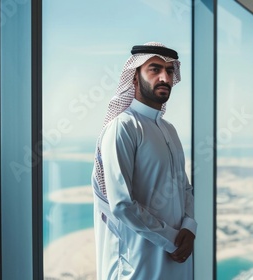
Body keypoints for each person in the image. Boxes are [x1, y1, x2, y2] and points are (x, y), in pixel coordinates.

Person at [92, 42, 197, 279]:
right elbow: (122, 204)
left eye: (170, 71)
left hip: (178, 258)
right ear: (135, 78)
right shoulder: (122, 127)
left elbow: (185, 187)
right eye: (155, 69)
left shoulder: (169, 130)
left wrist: (189, 227)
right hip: (137, 266)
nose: (165, 77)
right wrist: (172, 240)